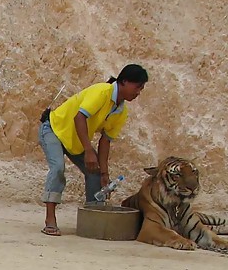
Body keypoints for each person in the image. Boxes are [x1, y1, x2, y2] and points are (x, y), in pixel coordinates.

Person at [37, 64, 148, 236]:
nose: (139, 91)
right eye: (138, 86)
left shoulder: (121, 111)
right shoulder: (101, 91)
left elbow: (106, 141)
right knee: (58, 167)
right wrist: (89, 151)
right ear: (124, 82)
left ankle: (93, 220)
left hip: (76, 140)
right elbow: (79, 117)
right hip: (54, 129)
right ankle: (50, 219)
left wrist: (104, 173)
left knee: (95, 173)